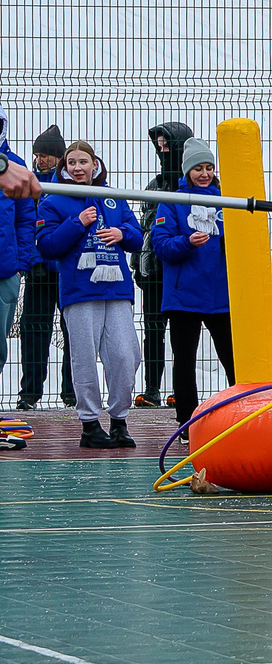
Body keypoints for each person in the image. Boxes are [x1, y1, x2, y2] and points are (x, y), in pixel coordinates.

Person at [35, 141, 144, 448]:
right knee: (83, 358)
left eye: (84, 161)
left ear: (95, 165)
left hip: (117, 289)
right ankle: (90, 425)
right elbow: (47, 246)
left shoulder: (113, 197)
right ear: (64, 168)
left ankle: (119, 420)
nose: (78, 167)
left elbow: (137, 237)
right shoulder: (54, 200)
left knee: (126, 355)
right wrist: (77, 223)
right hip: (79, 292)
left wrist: (122, 234)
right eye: (72, 162)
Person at [149, 137, 235, 429]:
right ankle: (186, 420)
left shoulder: (226, 201)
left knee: (232, 357)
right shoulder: (172, 203)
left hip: (221, 295)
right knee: (184, 361)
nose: (205, 174)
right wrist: (186, 242)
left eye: (209, 167)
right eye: (198, 168)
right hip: (183, 297)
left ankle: (243, 410)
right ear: (187, 172)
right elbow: (160, 245)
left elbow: (240, 242)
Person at [132, 120, 193, 408]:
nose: (162, 149)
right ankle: (152, 389)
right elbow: (145, 232)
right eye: (159, 144)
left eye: (167, 144)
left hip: (182, 271)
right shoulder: (153, 186)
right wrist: (138, 264)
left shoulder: (193, 186)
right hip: (154, 271)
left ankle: (181, 391)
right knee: (153, 330)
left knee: (182, 334)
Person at [15, 125, 68, 409]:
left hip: (65, 270)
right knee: (33, 330)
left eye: (47, 155)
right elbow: (25, 226)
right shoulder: (29, 185)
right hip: (38, 269)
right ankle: (29, 393)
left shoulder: (68, 186)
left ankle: (71, 393)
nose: (41, 160)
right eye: (37, 154)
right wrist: (32, 260)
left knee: (72, 329)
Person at [0, 113, 37, 406]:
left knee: (0, 347)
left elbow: (25, 220)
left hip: (5, 271)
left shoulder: (18, 167)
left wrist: (20, 265)